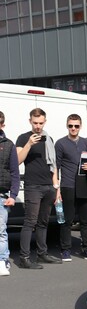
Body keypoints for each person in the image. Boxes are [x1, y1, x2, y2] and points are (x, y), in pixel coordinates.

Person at [16, 108, 62, 269]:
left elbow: (54, 165)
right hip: (33, 186)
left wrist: (56, 187)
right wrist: (29, 144)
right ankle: (24, 258)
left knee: (43, 222)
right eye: (35, 123)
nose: (38, 126)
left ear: (45, 122)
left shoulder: (49, 139)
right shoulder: (23, 138)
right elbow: (18, 160)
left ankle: (42, 254)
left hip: (48, 186)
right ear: (30, 121)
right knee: (30, 222)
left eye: (40, 123)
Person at [55, 114, 87, 260]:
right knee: (67, 220)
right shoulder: (60, 143)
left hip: (84, 186)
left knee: (85, 220)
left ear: (80, 126)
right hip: (68, 186)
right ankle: (65, 249)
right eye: (71, 125)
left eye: (76, 126)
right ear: (67, 126)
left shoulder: (85, 143)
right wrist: (57, 188)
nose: (73, 128)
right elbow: (56, 166)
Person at [0, 111, 20, 275]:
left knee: (0, 231)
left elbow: (14, 172)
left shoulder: (9, 145)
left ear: (2, 125)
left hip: (2, 195)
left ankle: (2, 260)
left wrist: (13, 196)